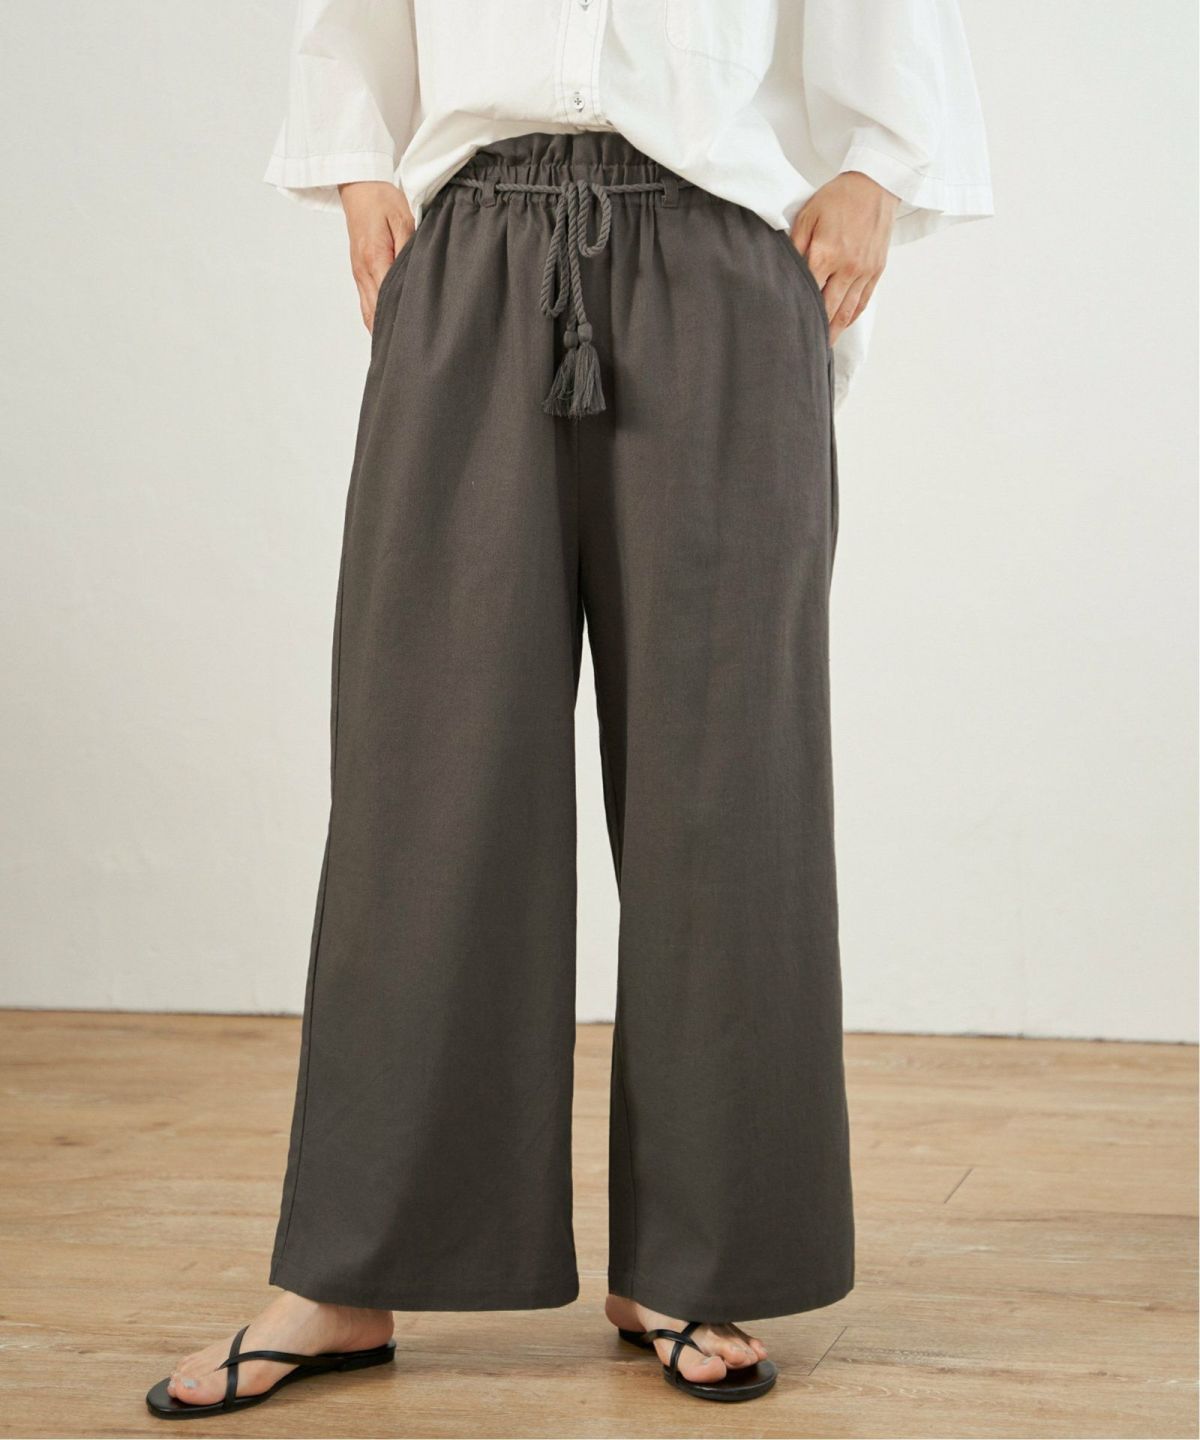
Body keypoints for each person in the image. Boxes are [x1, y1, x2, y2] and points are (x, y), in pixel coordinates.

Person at [147, 0, 992, 1417]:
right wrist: (356, 164)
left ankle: (690, 1261)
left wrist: (875, 173)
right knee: (426, 773)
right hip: (472, 243)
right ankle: (350, 1269)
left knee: (725, 783)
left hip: (718, 249)